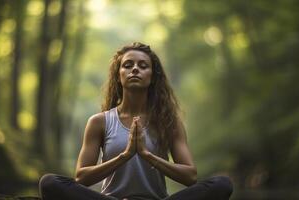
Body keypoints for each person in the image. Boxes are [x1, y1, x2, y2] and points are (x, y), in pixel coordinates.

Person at [39, 42, 233, 200]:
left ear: (152, 76)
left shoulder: (169, 122)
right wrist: (125, 155)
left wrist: (147, 155)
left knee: (222, 184)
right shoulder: (100, 122)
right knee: (49, 182)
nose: (134, 70)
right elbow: (81, 178)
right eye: (128, 65)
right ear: (119, 74)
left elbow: (190, 177)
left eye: (143, 66)